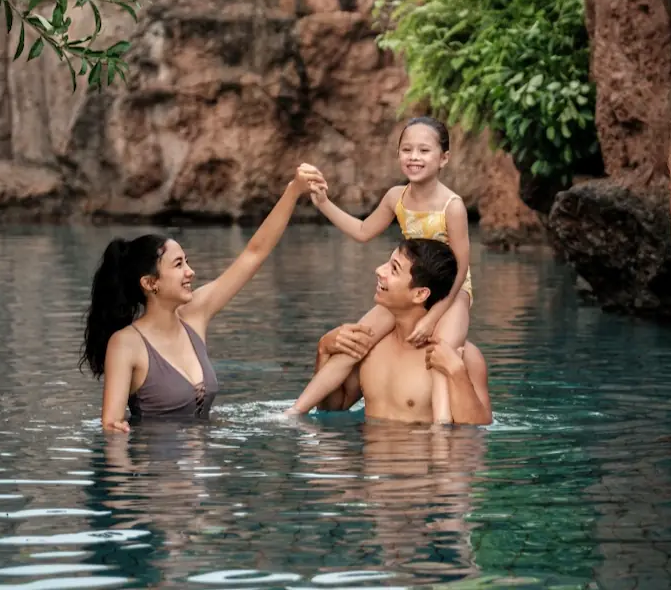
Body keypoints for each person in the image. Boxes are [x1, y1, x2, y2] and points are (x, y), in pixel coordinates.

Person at [81, 166, 325, 432]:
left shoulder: (195, 313)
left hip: (204, 466)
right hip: (158, 469)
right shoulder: (125, 344)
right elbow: (112, 427)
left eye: (188, 262)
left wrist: (293, 192)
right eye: (178, 265)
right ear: (150, 283)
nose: (190, 272)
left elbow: (254, 254)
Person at [287, 117, 473, 423]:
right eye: (407, 149)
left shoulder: (452, 205)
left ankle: (442, 429)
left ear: (444, 158)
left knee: (442, 353)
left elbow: (462, 265)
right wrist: (323, 203)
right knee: (355, 341)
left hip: (451, 292)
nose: (414, 157)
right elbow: (362, 230)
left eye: (424, 151)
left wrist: (433, 316)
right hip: (410, 286)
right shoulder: (395, 197)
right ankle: (296, 410)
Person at [308, 238, 491, 426]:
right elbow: (332, 408)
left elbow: (476, 431)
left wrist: (456, 372)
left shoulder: (464, 357)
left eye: (393, 269)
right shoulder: (370, 345)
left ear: (420, 294)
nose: (379, 270)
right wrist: (323, 351)